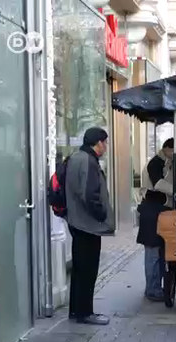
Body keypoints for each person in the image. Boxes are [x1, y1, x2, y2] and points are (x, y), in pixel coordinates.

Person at [65, 127, 115, 325]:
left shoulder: (75, 157)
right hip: (88, 224)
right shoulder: (88, 161)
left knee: (78, 269)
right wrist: (101, 215)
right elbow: (90, 195)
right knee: (88, 269)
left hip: (77, 222)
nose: (106, 146)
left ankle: (76, 310)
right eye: (106, 142)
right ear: (99, 143)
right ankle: (86, 313)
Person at [137, 138, 176, 302]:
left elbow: (173, 180)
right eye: (174, 152)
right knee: (152, 252)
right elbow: (158, 184)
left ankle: (159, 287)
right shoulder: (155, 163)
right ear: (166, 149)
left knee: (161, 251)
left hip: (163, 212)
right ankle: (152, 289)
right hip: (151, 213)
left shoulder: (168, 164)